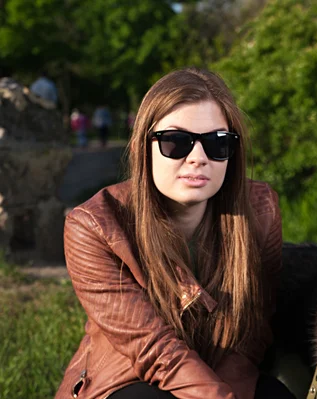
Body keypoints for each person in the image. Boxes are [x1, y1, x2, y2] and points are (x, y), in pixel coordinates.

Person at [55, 68, 292, 399]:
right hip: (130, 378)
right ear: (143, 146)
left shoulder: (261, 210)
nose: (198, 158)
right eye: (176, 142)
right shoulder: (93, 226)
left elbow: (254, 329)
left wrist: (229, 391)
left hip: (223, 371)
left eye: (217, 142)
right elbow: (154, 349)